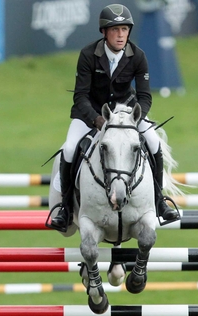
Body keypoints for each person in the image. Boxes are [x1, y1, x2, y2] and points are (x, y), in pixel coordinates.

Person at [47, 3, 180, 232]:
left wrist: (135, 118)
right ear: (104, 32)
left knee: (155, 143)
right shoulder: (88, 55)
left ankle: (159, 200)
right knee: (69, 149)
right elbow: (80, 97)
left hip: (126, 116)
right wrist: (97, 120)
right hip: (89, 114)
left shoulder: (138, 56)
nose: (120, 35)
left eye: (124, 30)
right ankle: (65, 208)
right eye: (115, 30)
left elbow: (145, 97)